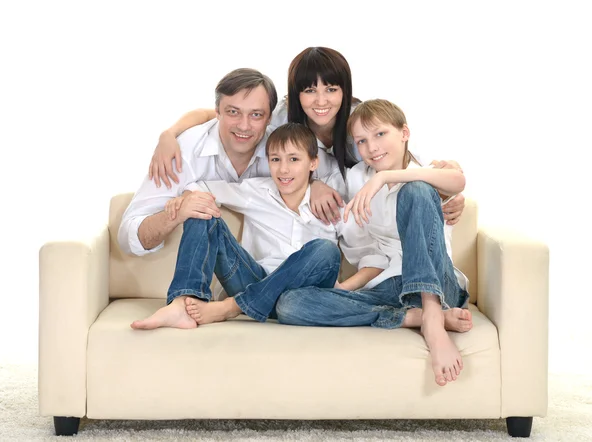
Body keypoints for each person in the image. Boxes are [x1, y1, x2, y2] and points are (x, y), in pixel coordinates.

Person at [146, 47, 466, 226]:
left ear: (345, 91)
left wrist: (449, 196)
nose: (321, 100)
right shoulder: (282, 119)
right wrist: (169, 133)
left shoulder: (362, 123)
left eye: (331, 89)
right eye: (309, 90)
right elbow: (221, 112)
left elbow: (411, 160)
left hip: (370, 225)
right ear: (296, 95)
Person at [274, 99, 471, 388]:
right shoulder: (356, 179)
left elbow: (458, 180)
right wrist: (316, 184)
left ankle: (432, 316)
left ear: (404, 133)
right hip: (390, 288)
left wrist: (387, 177)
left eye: (380, 134)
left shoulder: (427, 170)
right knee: (290, 304)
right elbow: (371, 254)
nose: (373, 147)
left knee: (416, 191)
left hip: (440, 285)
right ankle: (411, 317)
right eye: (362, 141)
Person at [130, 123, 347, 330]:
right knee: (201, 209)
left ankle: (230, 308)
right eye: (275, 159)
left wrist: (346, 290)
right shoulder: (256, 192)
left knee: (325, 249)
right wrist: (186, 198)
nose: (283, 169)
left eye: (293, 159)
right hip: (253, 280)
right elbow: (201, 186)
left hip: (301, 299)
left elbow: (368, 250)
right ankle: (183, 301)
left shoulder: (331, 203)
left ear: (313, 163)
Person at [118, 67, 278, 258]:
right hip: (207, 261)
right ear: (217, 111)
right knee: (199, 212)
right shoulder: (183, 152)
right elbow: (128, 237)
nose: (244, 125)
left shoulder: (284, 152)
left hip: (262, 270)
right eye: (233, 112)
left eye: (256, 115)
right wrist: (176, 214)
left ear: (270, 118)